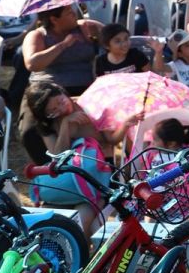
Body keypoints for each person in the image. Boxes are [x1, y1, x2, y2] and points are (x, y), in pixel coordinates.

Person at [18, 81, 140, 234]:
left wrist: (125, 125)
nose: (62, 109)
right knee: (56, 219)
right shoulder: (49, 124)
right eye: (53, 111)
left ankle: (78, 249)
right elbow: (57, 157)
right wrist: (65, 125)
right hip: (68, 178)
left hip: (98, 176)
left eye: (61, 102)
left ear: (63, 92)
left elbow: (112, 140)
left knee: (82, 221)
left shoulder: (89, 107)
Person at [22, 6, 101, 96]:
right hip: (48, 91)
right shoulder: (38, 35)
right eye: (69, 13)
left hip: (87, 86)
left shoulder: (86, 27)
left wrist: (96, 36)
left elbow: (115, 38)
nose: (74, 14)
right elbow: (32, 64)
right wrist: (63, 45)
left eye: (72, 10)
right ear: (54, 19)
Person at [94, 23, 160, 75]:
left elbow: (151, 76)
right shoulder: (101, 62)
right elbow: (101, 84)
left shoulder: (136, 55)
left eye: (126, 39)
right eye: (117, 41)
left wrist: (158, 52)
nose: (125, 44)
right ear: (106, 46)